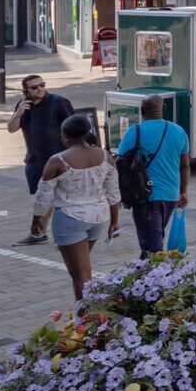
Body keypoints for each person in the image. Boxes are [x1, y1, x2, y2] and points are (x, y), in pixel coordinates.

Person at [31, 113, 119, 301]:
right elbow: (113, 192)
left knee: (81, 277)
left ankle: (86, 315)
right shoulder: (105, 156)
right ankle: (87, 312)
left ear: (66, 136)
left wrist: (37, 221)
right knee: (84, 272)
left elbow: (43, 197)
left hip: (70, 218)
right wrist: (115, 221)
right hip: (99, 217)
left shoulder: (58, 160)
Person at [116, 94, 190, 257]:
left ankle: (150, 273)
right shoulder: (179, 131)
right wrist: (183, 191)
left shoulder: (134, 131)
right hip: (170, 196)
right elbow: (184, 165)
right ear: (163, 108)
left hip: (145, 197)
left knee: (152, 250)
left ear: (141, 110)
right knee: (154, 242)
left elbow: (120, 161)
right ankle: (149, 271)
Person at [9, 74, 75, 245]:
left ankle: (62, 236)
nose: (40, 89)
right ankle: (39, 234)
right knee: (43, 199)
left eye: (42, 85)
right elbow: (11, 128)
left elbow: (75, 128)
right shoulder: (23, 106)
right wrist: (18, 113)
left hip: (58, 159)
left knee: (59, 199)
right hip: (35, 160)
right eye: (34, 87)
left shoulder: (58, 102)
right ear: (26, 91)